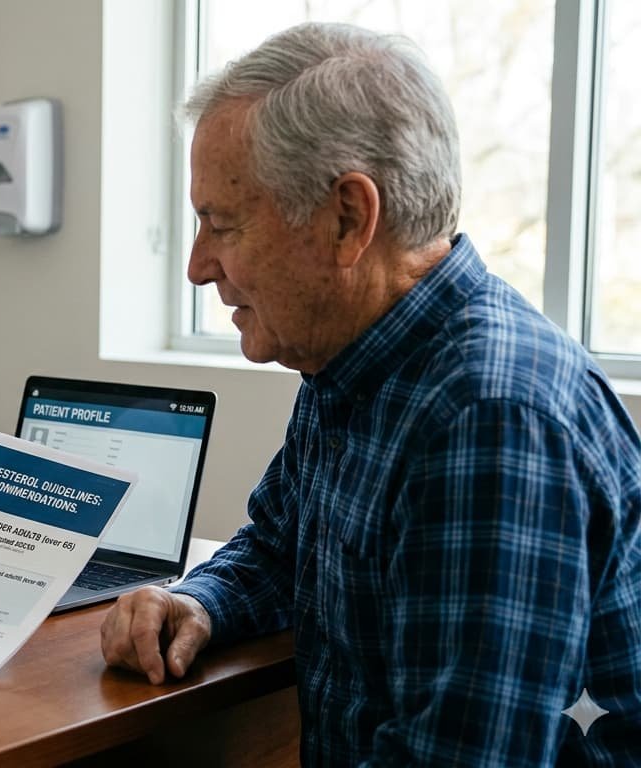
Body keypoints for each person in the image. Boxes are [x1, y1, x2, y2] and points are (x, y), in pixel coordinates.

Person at [99, 22, 641, 765]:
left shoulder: (488, 419)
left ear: (349, 218)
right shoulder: (351, 356)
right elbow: (282, 547)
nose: (197, 266)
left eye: (221, 223)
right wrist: (200, 601)